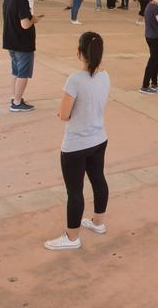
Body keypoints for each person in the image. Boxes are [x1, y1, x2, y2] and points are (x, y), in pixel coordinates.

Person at [45, 32, 110, 251]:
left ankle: (72, 237)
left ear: (79, 53)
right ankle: (98, 223)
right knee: (98, 179)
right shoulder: (105, 77)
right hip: (99, 139)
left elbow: (64, 114)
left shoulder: (75, 80)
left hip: (76, 144)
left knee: (75, 191)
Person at [3, 0, 43, 113]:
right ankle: (17, 102)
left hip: (10, 41)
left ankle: (15, 97)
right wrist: (34, 20)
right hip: (22, 44)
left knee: (15, 72)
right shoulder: (21, 0)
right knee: (23, 74)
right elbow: (25, 24)